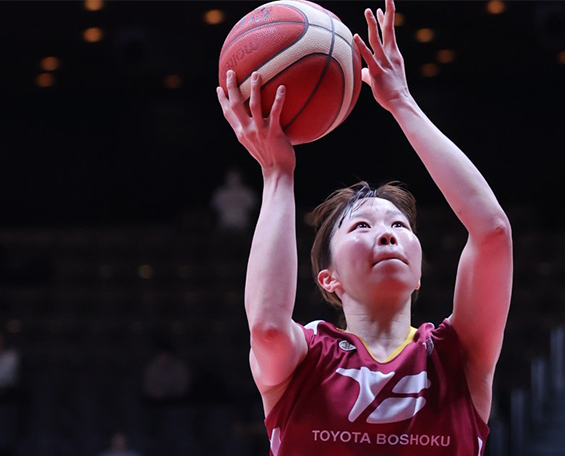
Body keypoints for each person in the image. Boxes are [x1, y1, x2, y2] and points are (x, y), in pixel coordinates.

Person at [214, 1, 513, 454]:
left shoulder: (457, 357)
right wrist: (277, 174)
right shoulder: (309, 357)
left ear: (417, 272)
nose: (388, 233)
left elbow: (491, 233)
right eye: (361, 228)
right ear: (328, 278)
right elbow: (268, 328)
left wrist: (402, 104)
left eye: (398, 224)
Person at [211, 167, 258, 232]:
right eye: (231, 175)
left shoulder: (247, 192)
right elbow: (215, 208)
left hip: (243, 227)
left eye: (236, 175)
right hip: (224, 227)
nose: (233, 178)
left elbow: (253, 208)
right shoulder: (220, 193)